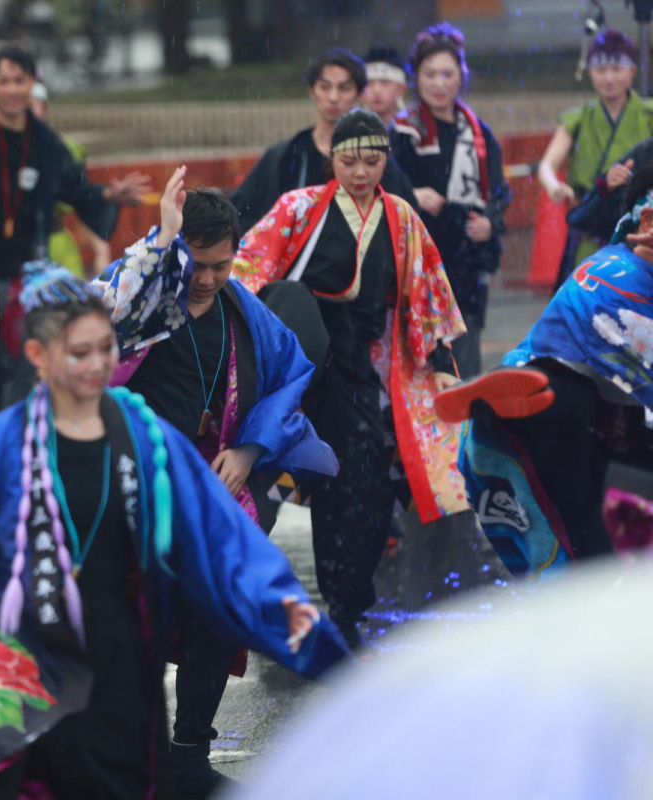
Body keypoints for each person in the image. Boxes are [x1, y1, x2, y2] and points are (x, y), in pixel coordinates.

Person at [0, 263, 348, 800]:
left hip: (118, 661)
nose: (96, 365)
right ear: (38, 355)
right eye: (78, 353)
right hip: (10, 664)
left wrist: (317, 645)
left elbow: (229, 548)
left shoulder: (149, 439)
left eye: (106, 349)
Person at [93, 168, 337, 798]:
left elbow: (290, 377)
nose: (206, 279)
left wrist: (250, 449)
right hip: (138, 482)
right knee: (136, 622)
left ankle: (188, 756)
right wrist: (159, 242)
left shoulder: (244, 312)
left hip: (217, 488)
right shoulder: (141, 293)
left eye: (221, 266)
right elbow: (90, 322)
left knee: (217, 616)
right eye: (196, 264)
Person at [234, 109, 468, 646]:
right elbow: (247, 271)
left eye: (371, 161)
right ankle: (282, 601)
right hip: (303, 357)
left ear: (386, 160)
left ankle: (347, 601)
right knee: (298, 479)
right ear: (331, 159)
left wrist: (441, 364)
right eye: (348, 161)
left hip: (365, 359)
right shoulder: (298, 207)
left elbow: (427, 293)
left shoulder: (401, 216)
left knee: (364, 483)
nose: (360, 172)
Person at [0, 45, 150, 432]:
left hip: (22, 271)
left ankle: (10, 432)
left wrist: (107, 195)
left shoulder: (45, 142)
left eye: (20, 81)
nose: (12, 90)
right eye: (3, 81)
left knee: (20, 357)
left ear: (32, 83)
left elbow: (76, 188)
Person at [435, 161, 653, 577]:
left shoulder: (606, 262)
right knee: (589, 565)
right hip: (553, 420)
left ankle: (508, 397)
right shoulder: (625, 281)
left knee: (587, 557)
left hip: (554, 422)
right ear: (648, 222)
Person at [392, 23, 512, 379]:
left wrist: (490, 222)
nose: (439, 83)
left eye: (447, 74)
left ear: (462, 76)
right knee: (416, 365)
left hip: (465, 267)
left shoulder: (478, 133)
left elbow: (500, 193)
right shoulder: (403, 131)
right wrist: (412, 195)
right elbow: (380, 185)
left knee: (465, 365)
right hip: (416, 265)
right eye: (430, 74)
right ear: (416, 78)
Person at [231, 47, 417, 231]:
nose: (333, 97)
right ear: (312, 91)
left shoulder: (375, 156)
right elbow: (242, 213)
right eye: (325, 87)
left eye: (344, 88)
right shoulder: (285, 154)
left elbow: (405, 217)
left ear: (360, 94)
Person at [537, 29, 651, 274]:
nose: (609, 78)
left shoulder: (649, 114)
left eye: (617, 69)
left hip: (641, 235)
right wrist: (554, 187)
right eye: (600, 70)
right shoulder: (578, 118)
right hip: (591, 235)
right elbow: (547, 165)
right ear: (589, 72)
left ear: (633, 70)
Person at [29, 82, 113, 279]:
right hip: (13, 248)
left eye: (33, 105)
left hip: (55, 239)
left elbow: (81, 203)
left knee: (73, 295)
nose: (27, 111)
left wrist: (101, 249)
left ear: (45, 106)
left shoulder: (64, 150)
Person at [362, 44, 408, 126]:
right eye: (369, 83)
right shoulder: (349, 128)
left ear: (402, 89)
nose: (376, 90)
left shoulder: (412, 129)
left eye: (385, 82)